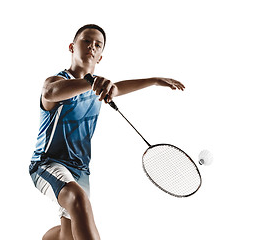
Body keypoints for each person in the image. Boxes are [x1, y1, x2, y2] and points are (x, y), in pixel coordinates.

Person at [29, 24, 185, 240]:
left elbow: (118, 88)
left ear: (100, 57)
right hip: (47, 164)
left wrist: (155, 80)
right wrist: (88, 82)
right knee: (78, 199)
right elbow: (50, 92)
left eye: (98, 45)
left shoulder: (98, 90)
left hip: (81, 170)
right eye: (86, 41)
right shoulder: (58, 81)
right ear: (72, 47)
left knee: (68, 234)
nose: (92, 47)